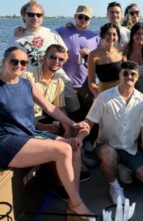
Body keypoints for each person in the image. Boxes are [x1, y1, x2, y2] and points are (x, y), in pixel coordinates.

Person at [0, 47, 94, 219]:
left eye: (23, 63)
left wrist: (74, 124)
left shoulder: (26, 84)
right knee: (62, 150)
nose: (19, 65)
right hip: (6, 141)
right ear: (4, 62)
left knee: (72, 146)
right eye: (14, 61)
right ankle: (78, 205)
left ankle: (73, 203)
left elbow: (50, 107)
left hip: (28, 134)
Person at [84, 61, 143, 204]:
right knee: (108, 154)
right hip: (107, 146)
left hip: (130, 149)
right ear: (119, 74)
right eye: (125, 73)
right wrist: (78, 137)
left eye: (133, 74)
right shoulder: (104, 97)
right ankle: (115, 188)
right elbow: (89, 122)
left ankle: (123, 168)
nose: (129, 77)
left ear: (137, 78)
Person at [7, 0, 67, 68]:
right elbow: (7, 63)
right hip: (28, 78)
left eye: (39, 15)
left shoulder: (52, 34)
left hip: (52, 77)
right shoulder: (16, 39)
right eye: (31, 14)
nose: (35, 17)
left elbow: (65, 55)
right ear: (24, 16)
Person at [88, 23, 123, 97]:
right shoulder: (93, 55)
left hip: (121, 92)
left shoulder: (120, 51)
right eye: (108, 34)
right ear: (103, 35)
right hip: (104, 93)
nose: (111, 37)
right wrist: (99, 97)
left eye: (114, 34)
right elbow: (91, 82)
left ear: (118, 37)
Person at [123, 22, 143, 100]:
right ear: (132, 35)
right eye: (138, 33)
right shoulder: (127, 49)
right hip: (132, 95)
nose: (141, 37)